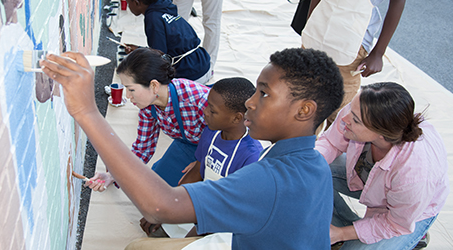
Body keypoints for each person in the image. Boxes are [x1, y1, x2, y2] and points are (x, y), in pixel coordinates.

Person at [40, 47, 344, 249]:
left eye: (263, 94)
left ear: (304, 111)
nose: (250, 101)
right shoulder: (314, 162)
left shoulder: (266, 177)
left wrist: (87, 112)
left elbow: (160, 205)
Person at [315, 82, 449, 248]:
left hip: (404, 217)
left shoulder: (414, 173)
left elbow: (395, 223)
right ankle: (345, 228)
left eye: (355, 120)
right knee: (312, 170)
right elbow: (331, 142)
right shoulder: (362, 109)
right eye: (351, 109)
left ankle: (414, 235)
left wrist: (341, 233)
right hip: (377, 184)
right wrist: (304, 166)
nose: (344, 119)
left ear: (381, 134)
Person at [140, 77, 263, 238]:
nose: (204, 112)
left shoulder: (251, 155)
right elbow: (197, 171)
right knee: (154, 230)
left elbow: (232, 210)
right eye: (207, 106)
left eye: (212, 111)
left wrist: (194, 236)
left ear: (237, 118)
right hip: (204, 202)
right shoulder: (211, 132)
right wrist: (167, 207)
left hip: (224, 219)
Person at [88, 48, 209, 188]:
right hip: (187, 144)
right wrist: (113, 175)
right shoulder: (148, 107)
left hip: (218, 151)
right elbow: (143, 148)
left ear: (154, 85)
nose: (128, 96)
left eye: (131, 89)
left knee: (192, 197)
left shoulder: (197, 100)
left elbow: (230, 137)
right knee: (156, 189)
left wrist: (202, 163)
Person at [122, 0, 212, 84]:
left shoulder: (153, 18)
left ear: (136, 3)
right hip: (203, 63)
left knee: (148, 83)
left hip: (191, 74)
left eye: (127, 1)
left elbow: (159, 58)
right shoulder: (165, 6)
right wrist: (140, 49)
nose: (127, 3)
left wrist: (137, 57)